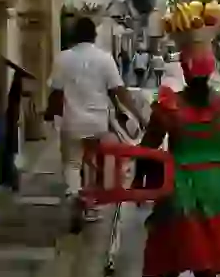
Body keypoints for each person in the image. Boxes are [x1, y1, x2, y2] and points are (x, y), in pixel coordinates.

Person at [138, 0, 220, 277]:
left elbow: (149, 147)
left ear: (185, 72)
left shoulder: (169, 106)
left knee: (174, 237)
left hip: (180, 180)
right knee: (211, 243)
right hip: (218, 181)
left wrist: (138, 182)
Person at [46, 17, 148, 224]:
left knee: (72, 163)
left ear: (74, 36)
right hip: (97, 122)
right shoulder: (105, 58)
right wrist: (138, 115)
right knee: (91, 162)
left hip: (71, 120)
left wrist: (51, 113)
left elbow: (56, 93)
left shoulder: (62, 58)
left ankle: (74, 193)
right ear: (94, 36)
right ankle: (90, 205)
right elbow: (118, 90)